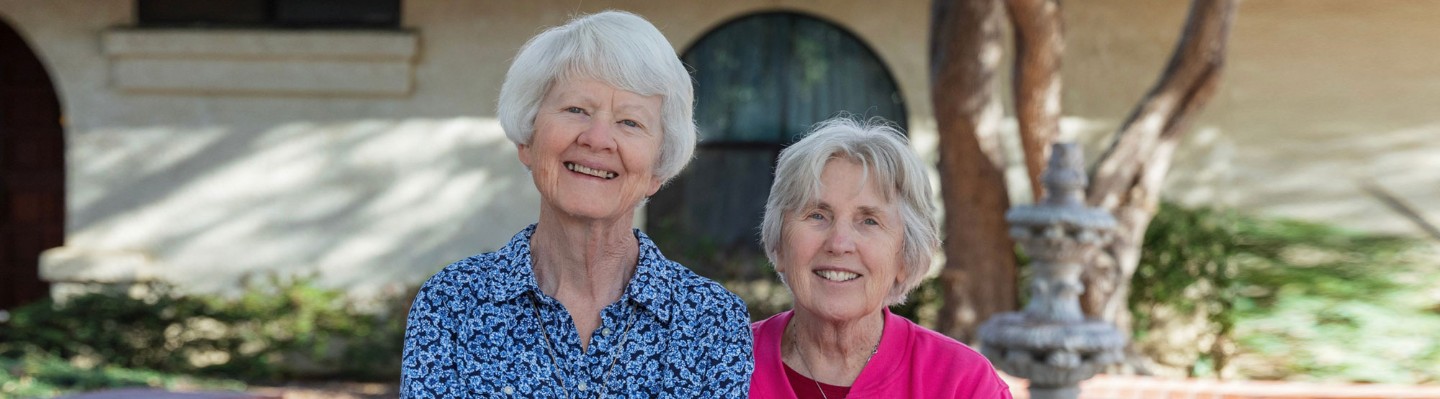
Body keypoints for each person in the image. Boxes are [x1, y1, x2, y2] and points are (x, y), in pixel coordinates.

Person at [401, 11, 752, 398]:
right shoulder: (451, 303)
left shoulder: (711, 320)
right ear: (527, 140)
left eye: (630, 122)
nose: (597, 139)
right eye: (576, 110)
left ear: (658, 169)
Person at [749, 117, 1012, 398]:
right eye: (817, 215)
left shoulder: (963, 383)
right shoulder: (719, 362)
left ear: (905, 255)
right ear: (779, 245)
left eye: (869, 221)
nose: (839, 244)